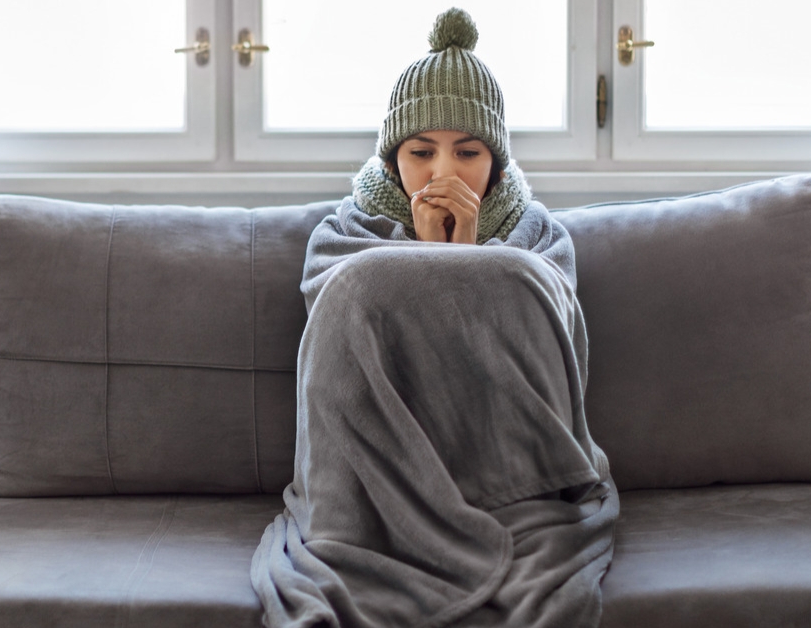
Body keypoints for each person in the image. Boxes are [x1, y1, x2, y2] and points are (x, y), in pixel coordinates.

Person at [251, 9, 618, 627]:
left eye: (467, 152)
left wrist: (468, 256)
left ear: (496, 161)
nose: (442, 173)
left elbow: (552, 335)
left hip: (502, 467)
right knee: (363, 283)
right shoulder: (344, 234)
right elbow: (338, 319)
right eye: (421, 151)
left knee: (516, 279)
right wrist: (421, 257)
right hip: (373, 481)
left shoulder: (539, 236)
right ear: (394, 157)